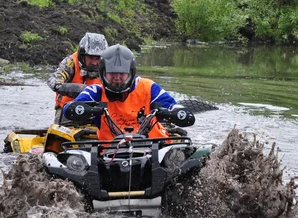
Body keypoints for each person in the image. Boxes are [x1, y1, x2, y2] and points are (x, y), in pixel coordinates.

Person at [63, 44, 195, 141]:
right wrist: (82, 109)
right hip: (109, 152)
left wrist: (177, 112)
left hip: (154, 147)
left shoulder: (148, 87)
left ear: (130, 73)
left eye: (122, 74)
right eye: (112, 74)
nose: (117, 78)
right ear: (102, 73)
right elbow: (71, 108)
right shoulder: (95, 91)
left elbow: (172, 105)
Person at [47, 32, 108, 124]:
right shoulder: (70, 62)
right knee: (60, 135)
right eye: (91, 57)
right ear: (82, 56)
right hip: (68, 109)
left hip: (98, 109)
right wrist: (70, 88)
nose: (95, 62)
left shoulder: (108, 66)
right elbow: (53, 80)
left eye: (98, 58)